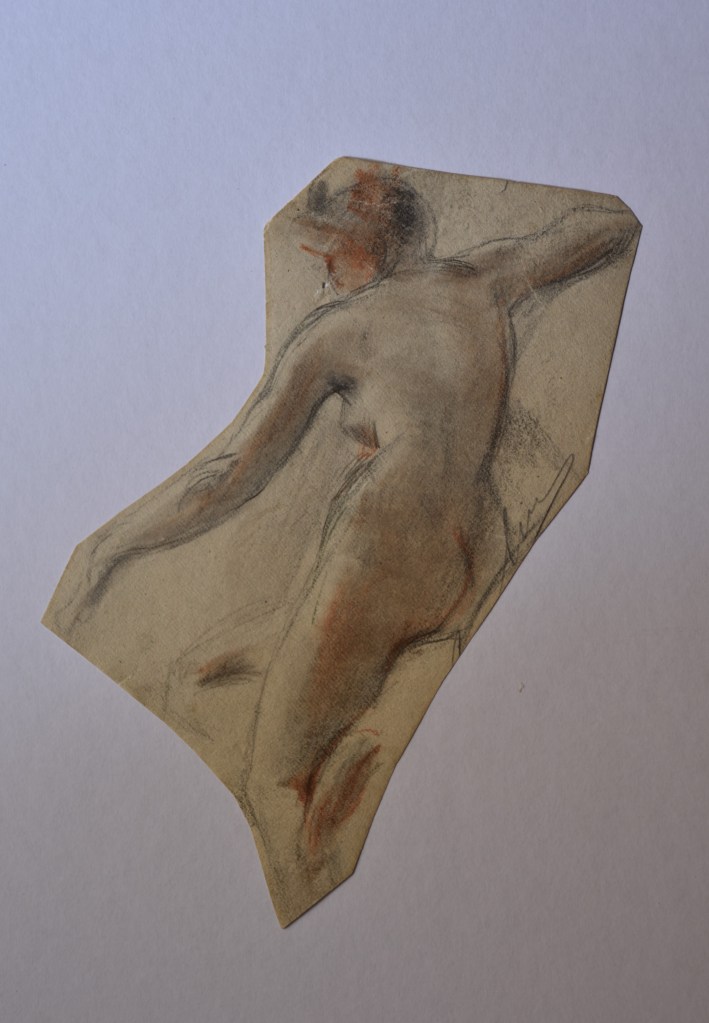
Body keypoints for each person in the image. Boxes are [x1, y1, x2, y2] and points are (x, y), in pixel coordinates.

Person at [63, 168, 639, 908]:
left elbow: (227, 479)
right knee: (207, 669)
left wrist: (114, 546)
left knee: (272, 780)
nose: (323, 267)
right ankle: (345, 761)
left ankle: (306, 862)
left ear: (372, 237)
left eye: (332, 246)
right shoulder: (486, 278)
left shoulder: (340, 332)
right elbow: (605, 227)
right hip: (463, 558)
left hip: (383, 552)